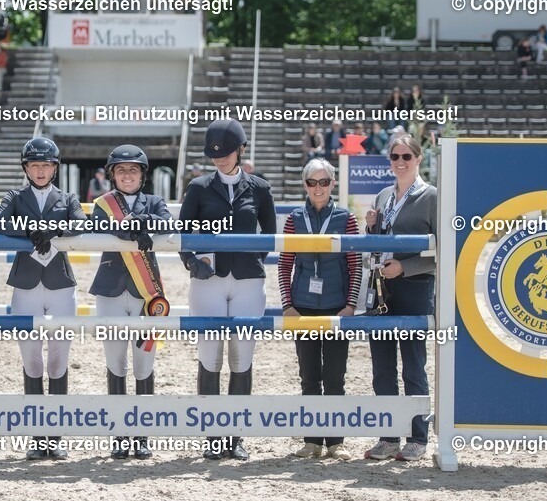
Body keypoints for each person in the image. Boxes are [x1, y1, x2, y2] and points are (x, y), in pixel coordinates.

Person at [180, 119, 277, 460]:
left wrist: (250, 258)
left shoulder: (261, 189)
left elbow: (268, 236)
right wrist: (193, 262)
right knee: (210, 355)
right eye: (214, 155)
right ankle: (212, 436)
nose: (219, 160)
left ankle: (234, 436)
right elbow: (184, 238)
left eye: (226, 154)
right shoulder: (198, 188)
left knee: (241, 356)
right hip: (208, 281)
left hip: (248, 279)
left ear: (241, 150)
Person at [0, 137, 86, 460]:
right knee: (32, 361)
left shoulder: (68, 197)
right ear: (26, 168)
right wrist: (30, 229)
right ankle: (37, 436)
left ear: (55, 168)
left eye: (46, 165)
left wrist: (53, 231)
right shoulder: (15, 196)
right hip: (26, 283)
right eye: (35, 165)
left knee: (58, 359)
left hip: (60, 283)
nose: (41, 170)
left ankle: (56, 436)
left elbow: (80, 225)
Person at [90, 145, 173, 460]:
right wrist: (130, 226)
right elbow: (102, 226)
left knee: (144, 363)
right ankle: (119, 434)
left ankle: (142, 434)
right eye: (121, 170)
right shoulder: (102, 204)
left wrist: (143, 219)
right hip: (110, 288)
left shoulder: (155, 202)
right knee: (115, 362)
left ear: (143, 175)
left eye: (133, 170)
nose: (127, 175)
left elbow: (166, 223)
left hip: (146, 293)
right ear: (112, 175)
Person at [278, 159, 361, 460]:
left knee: (335, 377)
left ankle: (336, 441)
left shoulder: (346, 218)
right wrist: (287, 304)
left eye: (324, 182)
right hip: (303, 308)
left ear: (333, 184)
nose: (318, 188)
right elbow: (285, 264)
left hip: (337, 308)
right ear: (304, 185)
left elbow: (355, 264)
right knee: (309, 376)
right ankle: (312, 440)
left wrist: (351, 304)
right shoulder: (293, 219)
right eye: (312, 182)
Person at [363, 134, 438, 462]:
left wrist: (404, 268)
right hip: (380, 288)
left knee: (412, 365)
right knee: (381, 368)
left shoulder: (432, 197)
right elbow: (375, 245)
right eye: (395, 156)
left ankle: (419, 437)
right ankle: (388, 436)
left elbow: (442, 253)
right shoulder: (382, 197)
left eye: (407, 156)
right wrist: (370, 231)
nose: (400, 162)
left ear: (419, 158)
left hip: (414, 287)